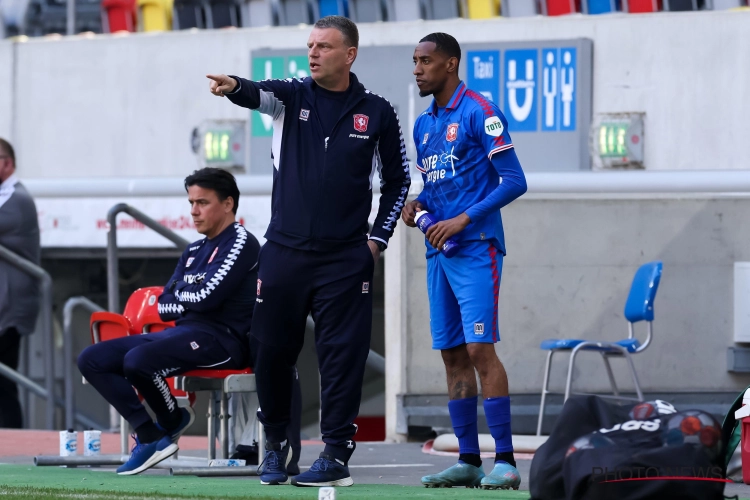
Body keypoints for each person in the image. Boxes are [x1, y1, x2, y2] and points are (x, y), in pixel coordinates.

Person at [207, 15, 410, 487]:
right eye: (310, 45)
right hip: (284, 252)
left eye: (323, 46)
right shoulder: (291, 96)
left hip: (345, 258)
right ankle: (275, 445)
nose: (313, 53)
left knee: (342, 356)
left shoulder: (377, 111)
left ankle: (336, 454)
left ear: (349, 54)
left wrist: (376, 241)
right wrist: (234, 85)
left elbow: (398, 181)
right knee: (271, 349)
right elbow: (256, 91)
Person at [401, 33, 527, 490]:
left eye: (426, 61)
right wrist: (415, 205)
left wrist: (461, 220)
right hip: (440, 249)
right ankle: (469, 459)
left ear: (451, 64)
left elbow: (514, 181)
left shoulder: (481, 112)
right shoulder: (423, 124)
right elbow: (436, 184)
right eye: (414, 61)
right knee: (452, 354)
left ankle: (507, 462)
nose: (417, 69)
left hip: (475, 245)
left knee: (479, 350)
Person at [78, 168, 260, 475]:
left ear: (228, 204)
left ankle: (173, 420)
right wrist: (191, 297)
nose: (193, 211)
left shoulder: (242, 241)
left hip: (224, 341)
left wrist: (187, 297)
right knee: (92, 358)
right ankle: (150, 436)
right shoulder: (193, 250)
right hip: (185, 332)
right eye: (191, 203)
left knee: (138, 361)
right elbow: (164, 305)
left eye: (202, 202)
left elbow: (206, 299)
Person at [0, 138, 40, 429]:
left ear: (7, 163)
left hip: (10, 306)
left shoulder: (17, 199)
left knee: (5, 381)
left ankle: (11, 442)